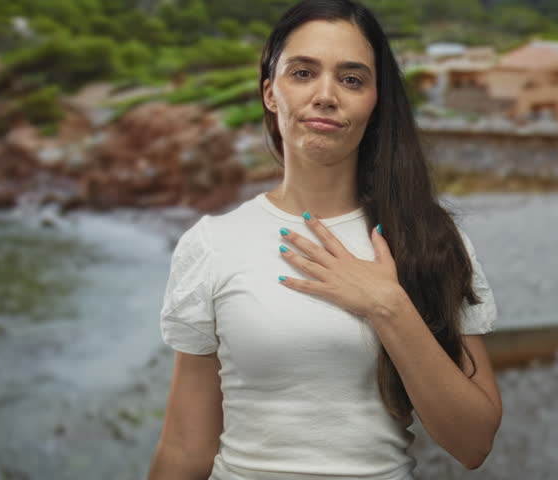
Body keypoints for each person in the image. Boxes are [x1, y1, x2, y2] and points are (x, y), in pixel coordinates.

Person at [147, 1, 502, 478]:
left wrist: (387, 305)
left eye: (352, 79)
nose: (326, 95)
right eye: (303, 73)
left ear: (376, 102)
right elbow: (185, 449)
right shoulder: (213, 243)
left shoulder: (430, 238)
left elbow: (473, 442)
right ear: (271, 93)